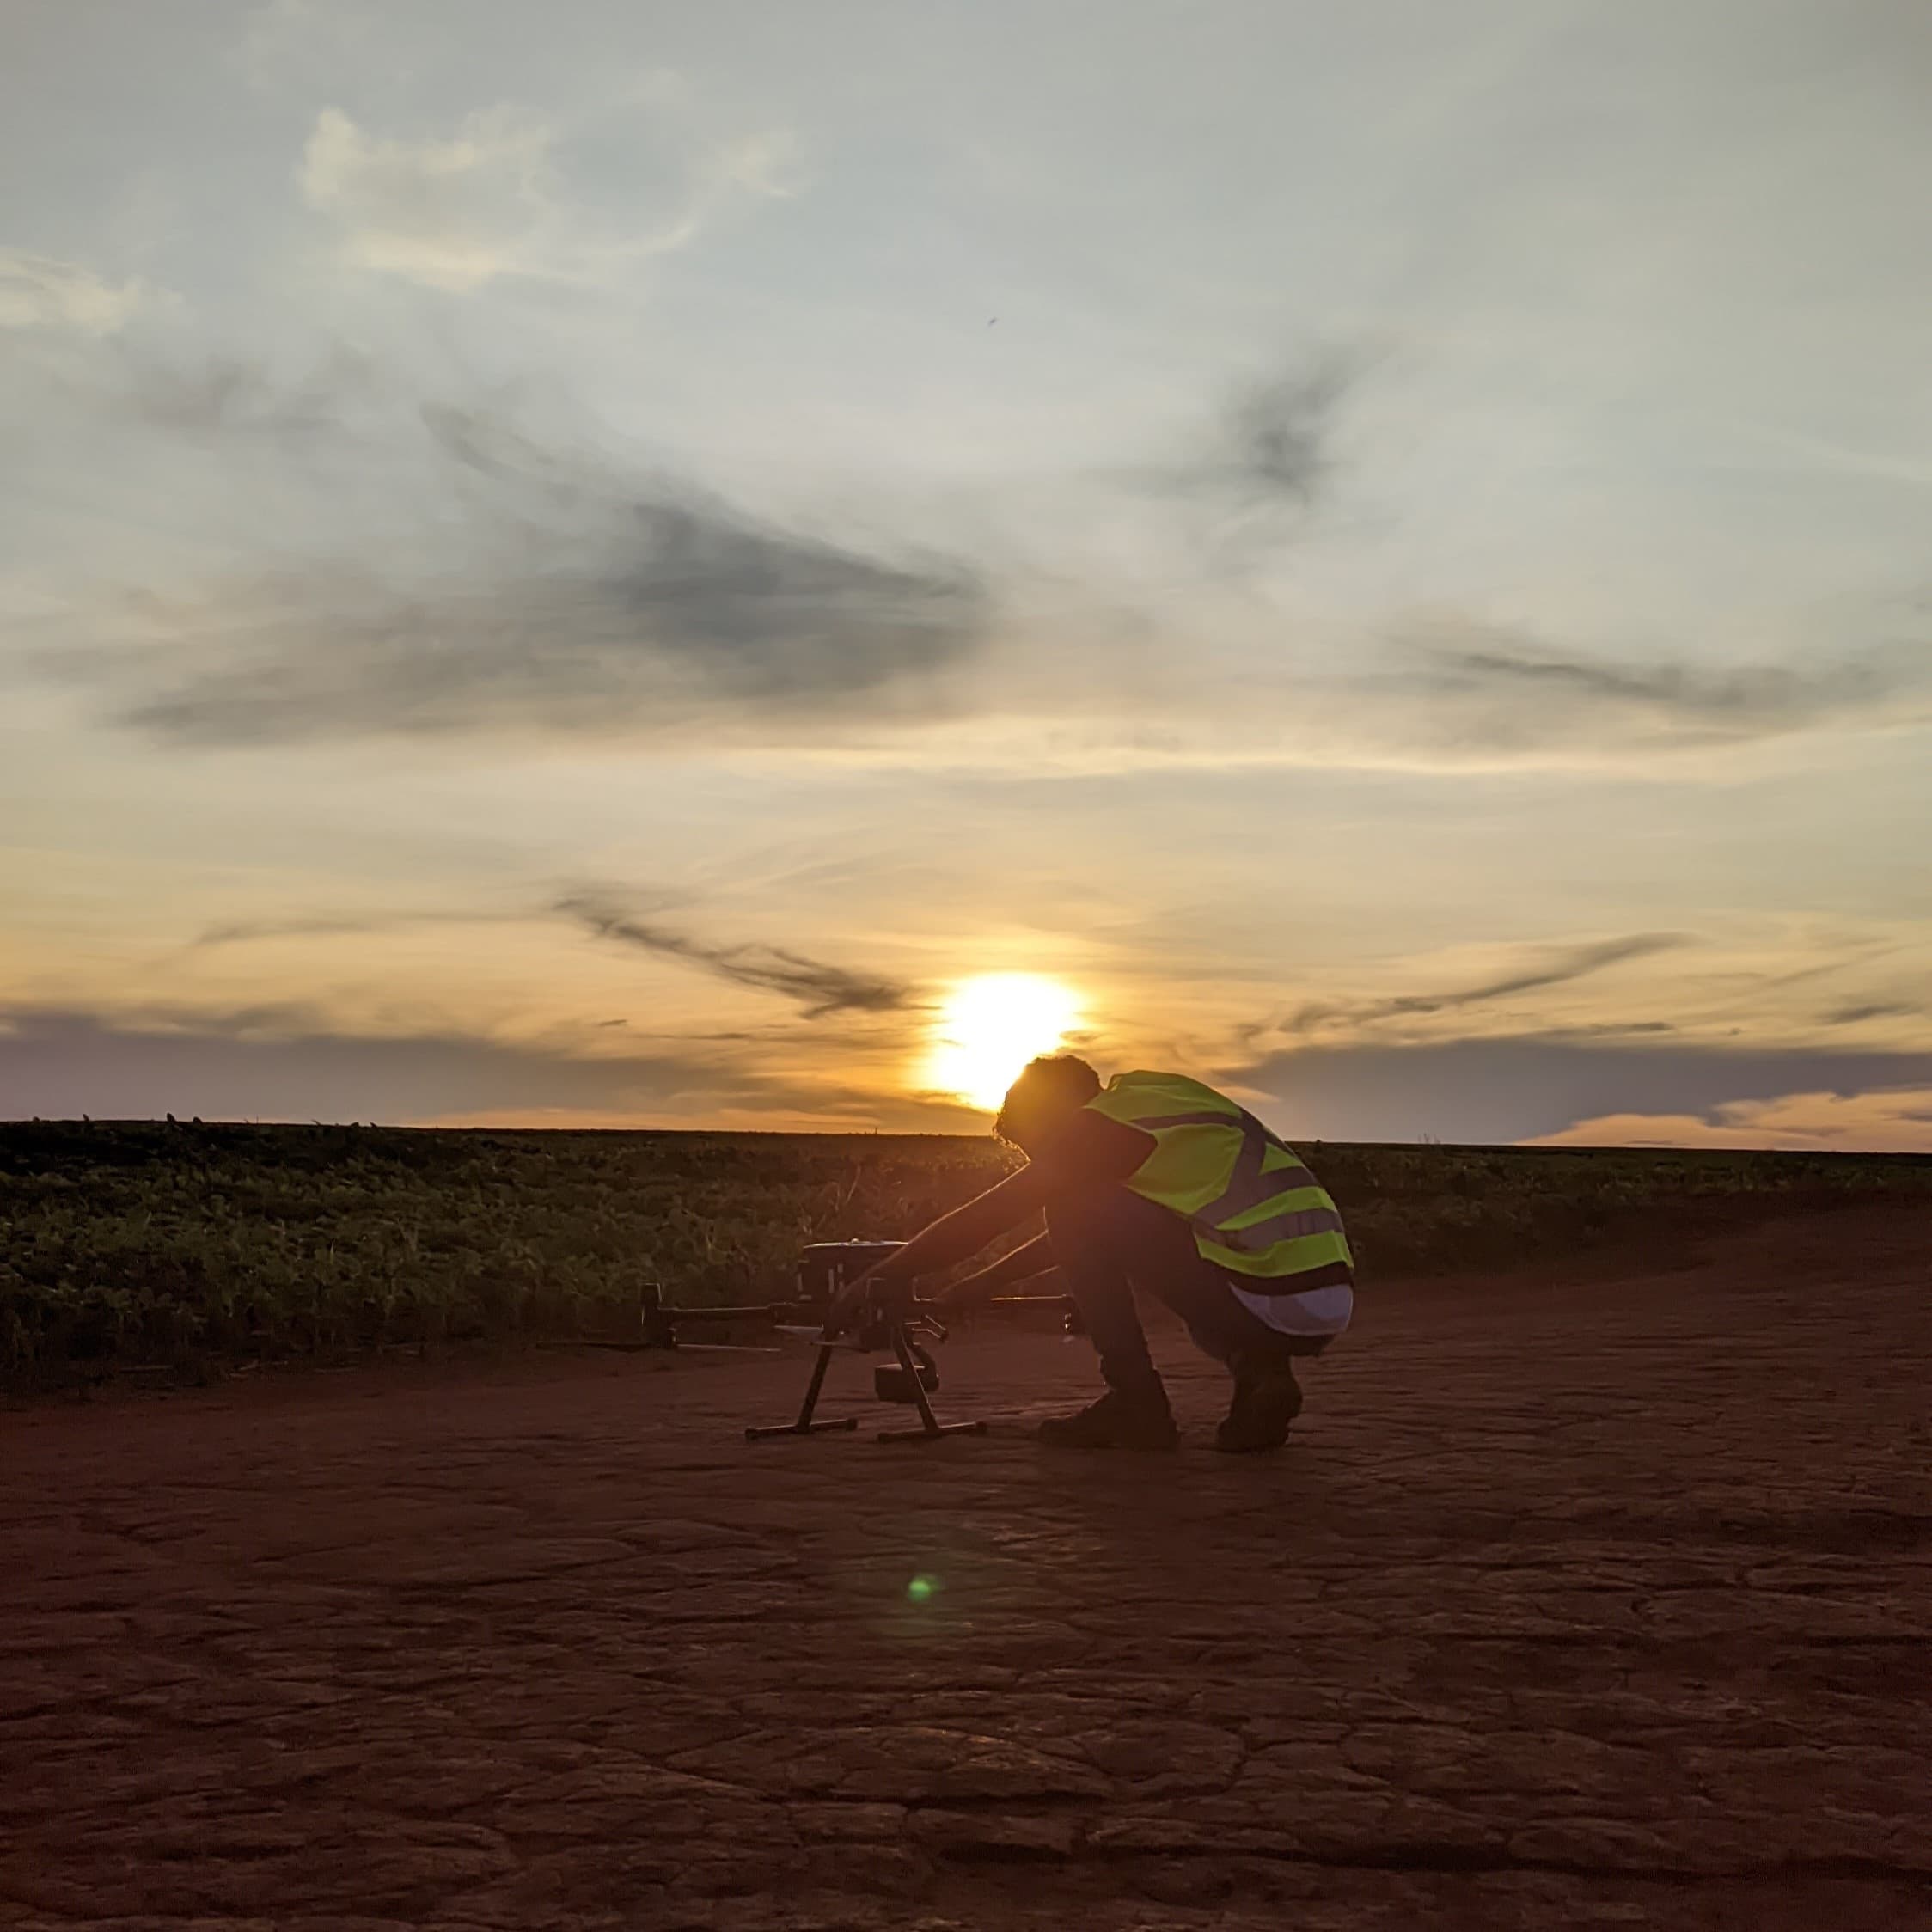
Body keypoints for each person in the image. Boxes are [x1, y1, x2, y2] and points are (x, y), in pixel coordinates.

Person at [826, 1056, 1354, 1452]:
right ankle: (1265, 1378)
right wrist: (981, 1285)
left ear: (1057, 1114)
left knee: (1072, 1205)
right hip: (1322, 1292)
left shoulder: (1098, 1126)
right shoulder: (1155, 1098)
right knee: (1137, 1220)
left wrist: (882, 1275)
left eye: (1040, 1147)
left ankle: (1135, 1402)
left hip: (1260, 1289)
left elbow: (998, 1215)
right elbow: (1112, 1233)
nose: (1045, 1160)